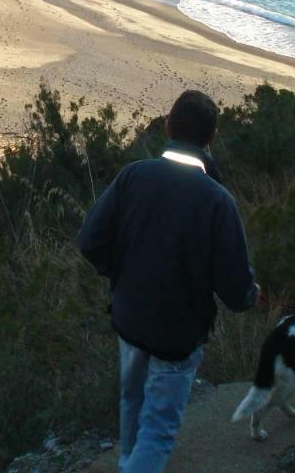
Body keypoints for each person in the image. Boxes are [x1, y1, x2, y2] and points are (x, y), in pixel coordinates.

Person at [77, 90, 260, 472]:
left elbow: (90, 241)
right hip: (177, 335)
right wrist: (249, 295)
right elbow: (235, 288)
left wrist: (122, 275)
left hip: (130, 318)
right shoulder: (218, 200)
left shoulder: (133, 176)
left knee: (132, 403)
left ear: (168, 126)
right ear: (210, 139)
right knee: (159, 430)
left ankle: (128, 461)